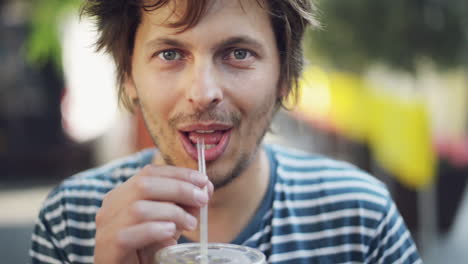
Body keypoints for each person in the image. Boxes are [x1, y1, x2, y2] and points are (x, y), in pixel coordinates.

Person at [30, 0, 422, 263]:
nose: (203, 94)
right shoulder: (71, 219)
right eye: (170, 54)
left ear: (284, 75)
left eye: (238, 53)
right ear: (129, 76)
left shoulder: (360, 216)